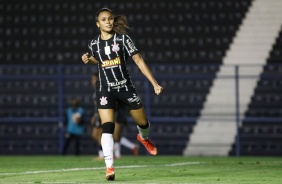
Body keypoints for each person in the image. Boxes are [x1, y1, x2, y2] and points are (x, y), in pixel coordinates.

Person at [81, 8, 163, 181]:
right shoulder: (93, 44)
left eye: (110, 18)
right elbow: (99, 60)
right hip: (105, 89)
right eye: (104, 19)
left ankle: (143, 138)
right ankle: (109, 167)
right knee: (107, 127)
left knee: (143, 122)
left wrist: (154, 83)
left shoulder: (123, 39)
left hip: (125, 88)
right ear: (98, 24)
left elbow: (139, 61)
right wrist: (89, 59)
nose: (108, 22)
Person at [90, 73, 139, 159]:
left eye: (94, 79)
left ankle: (109, 154)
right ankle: (115, 151)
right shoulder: (97, 90)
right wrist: (95, 115)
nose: (92, 81)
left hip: (113, 113)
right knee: (100, 135)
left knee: (112, 135)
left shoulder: (105, 88)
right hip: (102, 114)